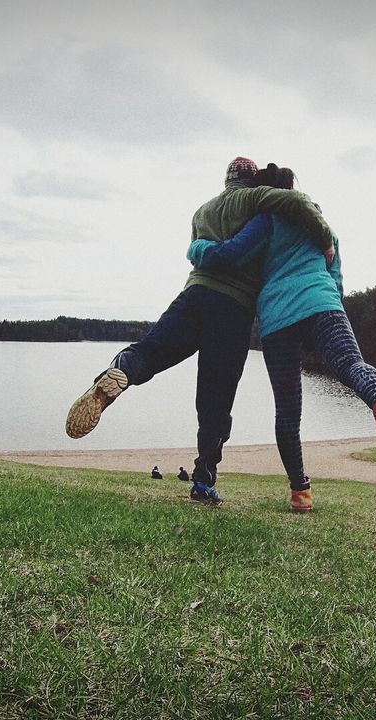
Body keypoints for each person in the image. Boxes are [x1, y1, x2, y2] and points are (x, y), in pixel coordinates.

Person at [65, 157, 333, 506]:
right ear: (251, 182)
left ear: (226, 180)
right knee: (214, 402)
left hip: (192, 296)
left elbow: (196, 253)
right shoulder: (254, 199)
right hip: (232, 309)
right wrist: (325, 240)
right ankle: (203, 481)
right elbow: (297, 202)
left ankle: (118, 372)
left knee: (149, 350)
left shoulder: (201, 211)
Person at [188, 163, 376, 513]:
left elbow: (235, 257)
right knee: (351, 364)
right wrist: (330, 305)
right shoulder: (325, 229)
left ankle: (300, 492)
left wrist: (199, 249)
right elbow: (337, 279)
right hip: (323, 304)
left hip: (277, 319)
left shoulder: (264, 221)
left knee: (288, 413)